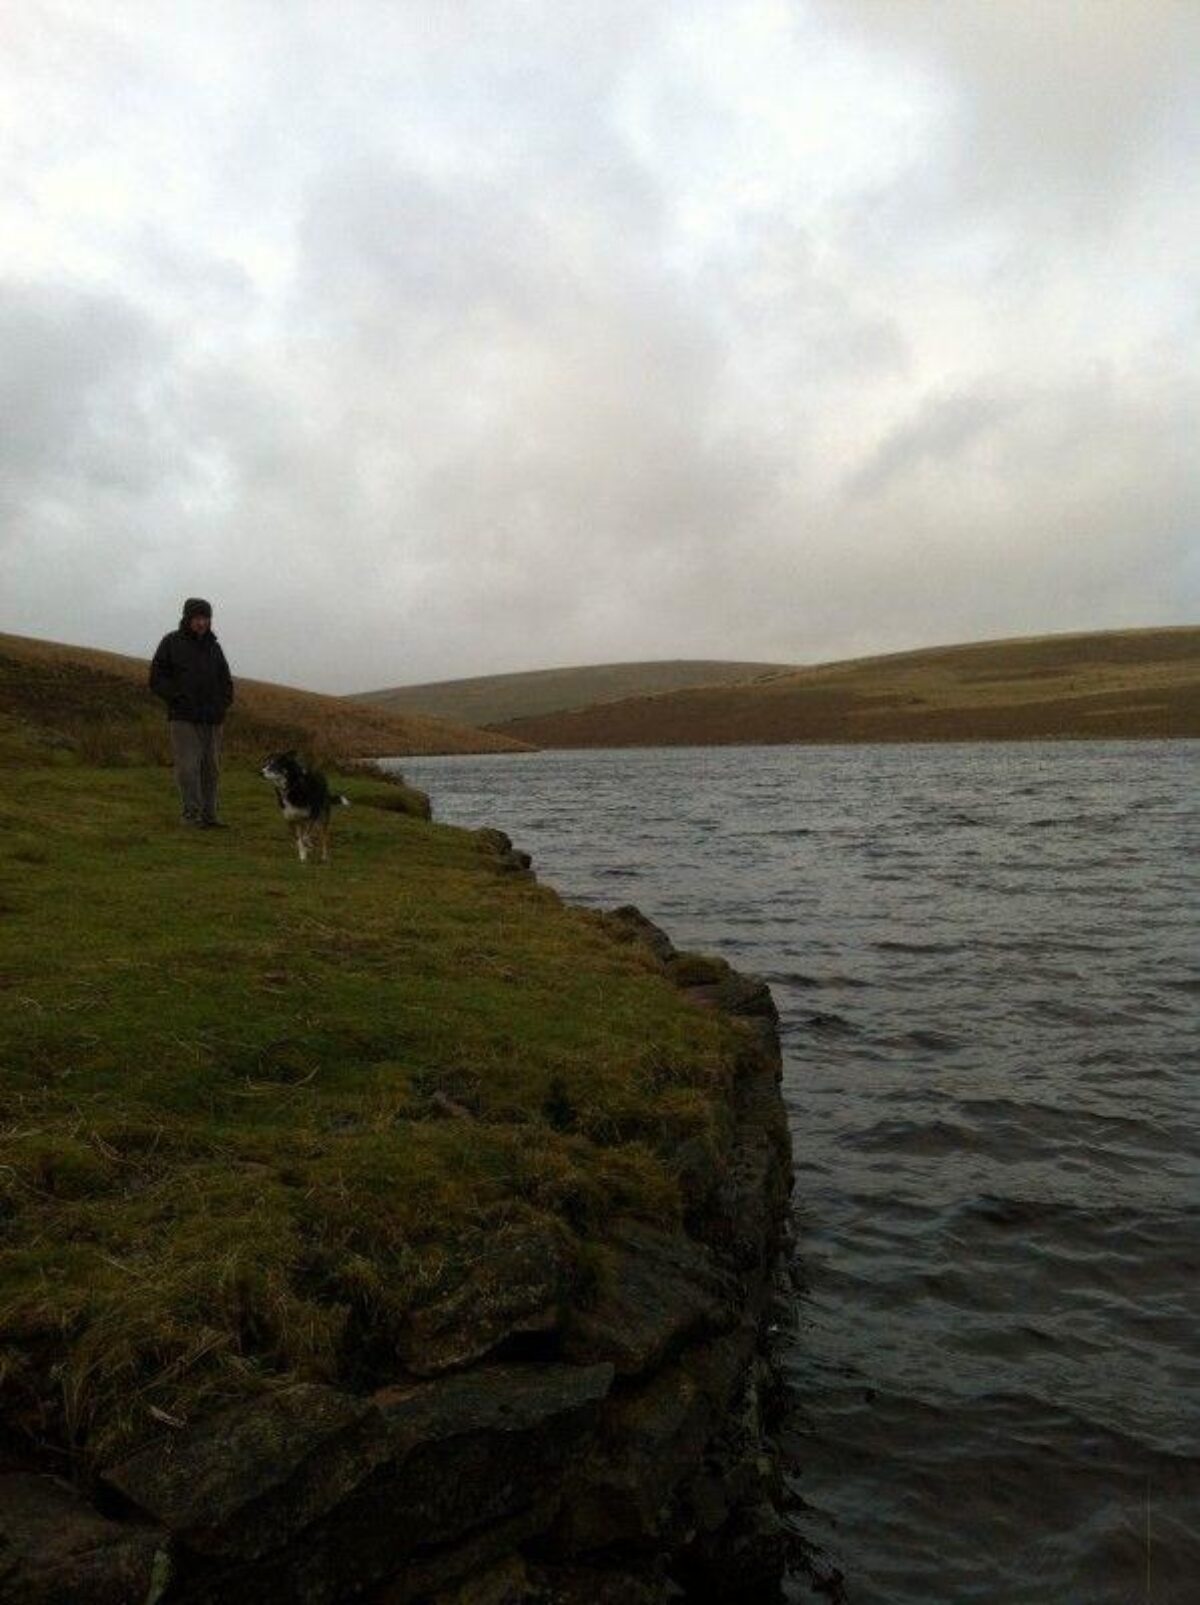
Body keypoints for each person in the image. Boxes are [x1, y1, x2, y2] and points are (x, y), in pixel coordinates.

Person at [149, 598, 234, 827]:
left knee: (211, 769)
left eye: (205, 618)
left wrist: (222, 704)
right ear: (187, 618)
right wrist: (176, 698)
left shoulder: (214, 648)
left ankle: (210, 816)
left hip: (213, 719)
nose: (201, 623)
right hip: (183, 717)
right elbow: (156, 678)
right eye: (197, 618)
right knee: (188, 768)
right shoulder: (171, 642)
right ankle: (191, 815)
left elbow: (225, 681)